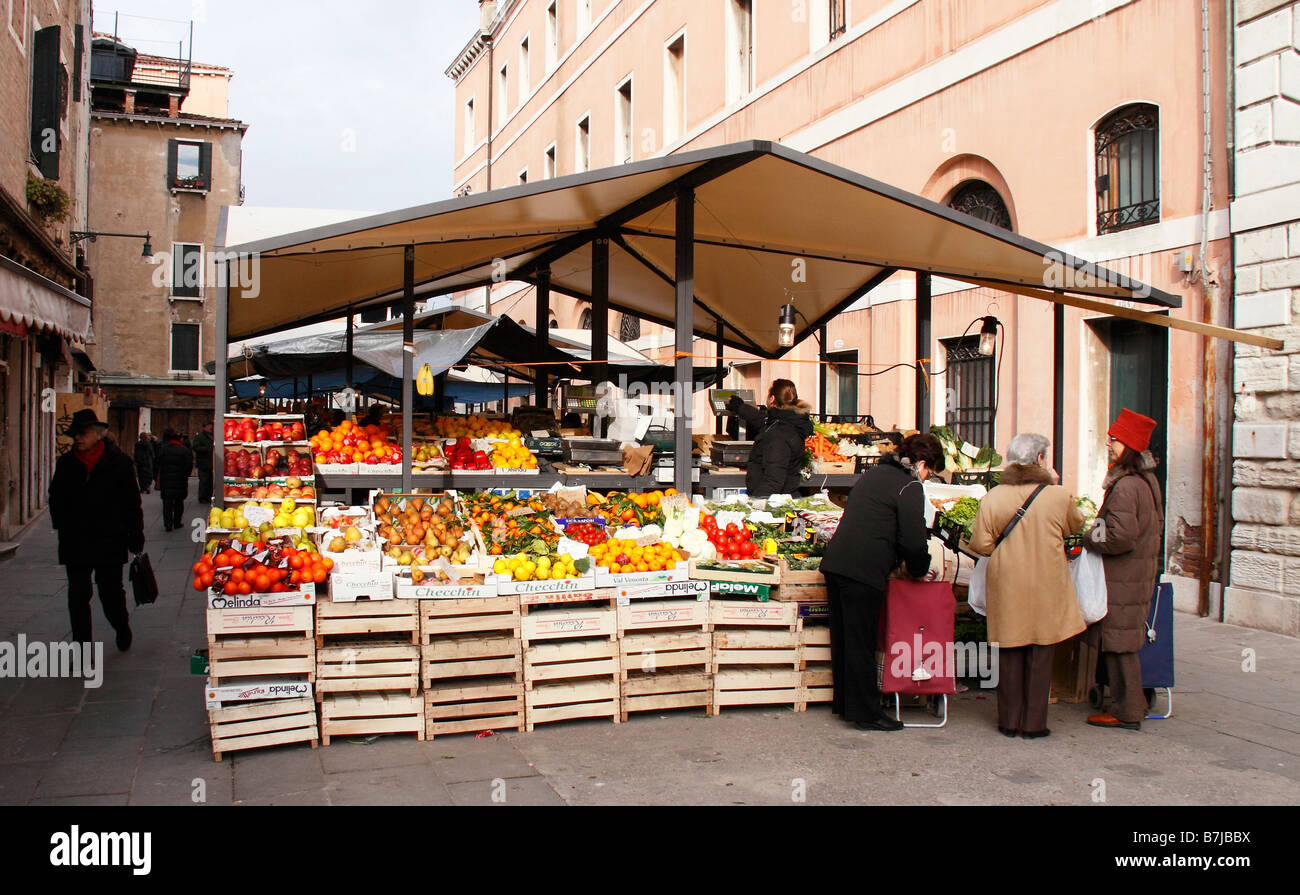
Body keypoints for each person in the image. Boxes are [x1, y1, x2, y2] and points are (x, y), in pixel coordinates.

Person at [821, 433, 942, 731]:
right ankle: (866, 713)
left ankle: (846, 705)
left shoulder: (875, 473)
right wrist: (918, 568)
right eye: (930, 472)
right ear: (922, 464)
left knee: (845, 639)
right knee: (862, 642)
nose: (927, 478)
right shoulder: (910, 486)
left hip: (837, 562)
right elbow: (913, 540)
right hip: (864, 569)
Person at [968, 433, 1085, 740]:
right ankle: (1034, 724)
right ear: (1040, 460)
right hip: (1047, 584)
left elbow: (980, 544)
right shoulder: (1058, 496)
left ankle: (1008, 722)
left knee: (1009, 654)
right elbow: (1077, 524)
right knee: (1041, 654)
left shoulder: (993, 497)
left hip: (1007, 585)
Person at [1084, 408, 1163, 731]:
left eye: (1114, 439)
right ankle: (1127, 705)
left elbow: (1119, 535)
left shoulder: (1128, 486)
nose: (1109, 443)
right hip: (1133, 574)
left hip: (1122, 576)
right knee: (1121, 643)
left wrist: (1090, 536)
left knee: (1119, 645)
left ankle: (1127, 711)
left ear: (1128, 445)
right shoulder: (1146, 481)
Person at [49, 410, 144, 650]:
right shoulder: (66, 464)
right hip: (76, 540)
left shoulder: (119, 463)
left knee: (110, 592)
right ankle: (81, 647)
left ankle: (122, 627)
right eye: (75, 435)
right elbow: (56, 498)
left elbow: (132, 503)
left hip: (110, 539)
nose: (78, 439)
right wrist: (61, 524)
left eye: (82, 434)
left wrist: (134, 535)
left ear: (97, 434)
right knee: (78, 596)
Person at [725, 380, 814, 498]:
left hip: (774, 502)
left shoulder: (778, 435)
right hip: (784, 496)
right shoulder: (787, 421)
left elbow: (774, 480)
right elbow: (761, 419)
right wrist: (740, 407)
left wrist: (756, 504)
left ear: (772, 399)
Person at [156, 428, 194, 532]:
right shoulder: (184, 450)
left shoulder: (164, 449)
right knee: (179, 502)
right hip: (180, 480)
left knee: (167, 503)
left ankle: (168, 524)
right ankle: (177, 522)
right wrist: (185, 475)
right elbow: (189, 464)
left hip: (166, 480)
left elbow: (158, 462)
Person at [191, 420, 215, 504]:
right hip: (203, 462)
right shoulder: (200, 436)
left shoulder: (213, 435)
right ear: (205, 427)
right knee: (204, 480)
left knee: (210, 481)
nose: (211, 427)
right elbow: (195, 447)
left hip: (211, 462)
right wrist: (207, 449)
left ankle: (209, 496)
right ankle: (202, 497)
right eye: (209, 426)